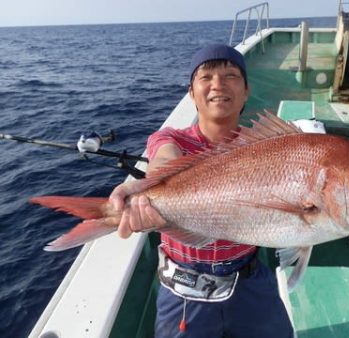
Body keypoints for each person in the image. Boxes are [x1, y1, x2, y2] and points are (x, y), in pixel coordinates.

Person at [110, 44, 293, 338]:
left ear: (246, 91)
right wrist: (143, 187)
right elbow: (164, 160)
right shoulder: (171, 138)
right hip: (185, 287)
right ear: (191, 93)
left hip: (249, 277)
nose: (218, 84)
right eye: (205, 77)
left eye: (231, 76)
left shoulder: (264, 149)